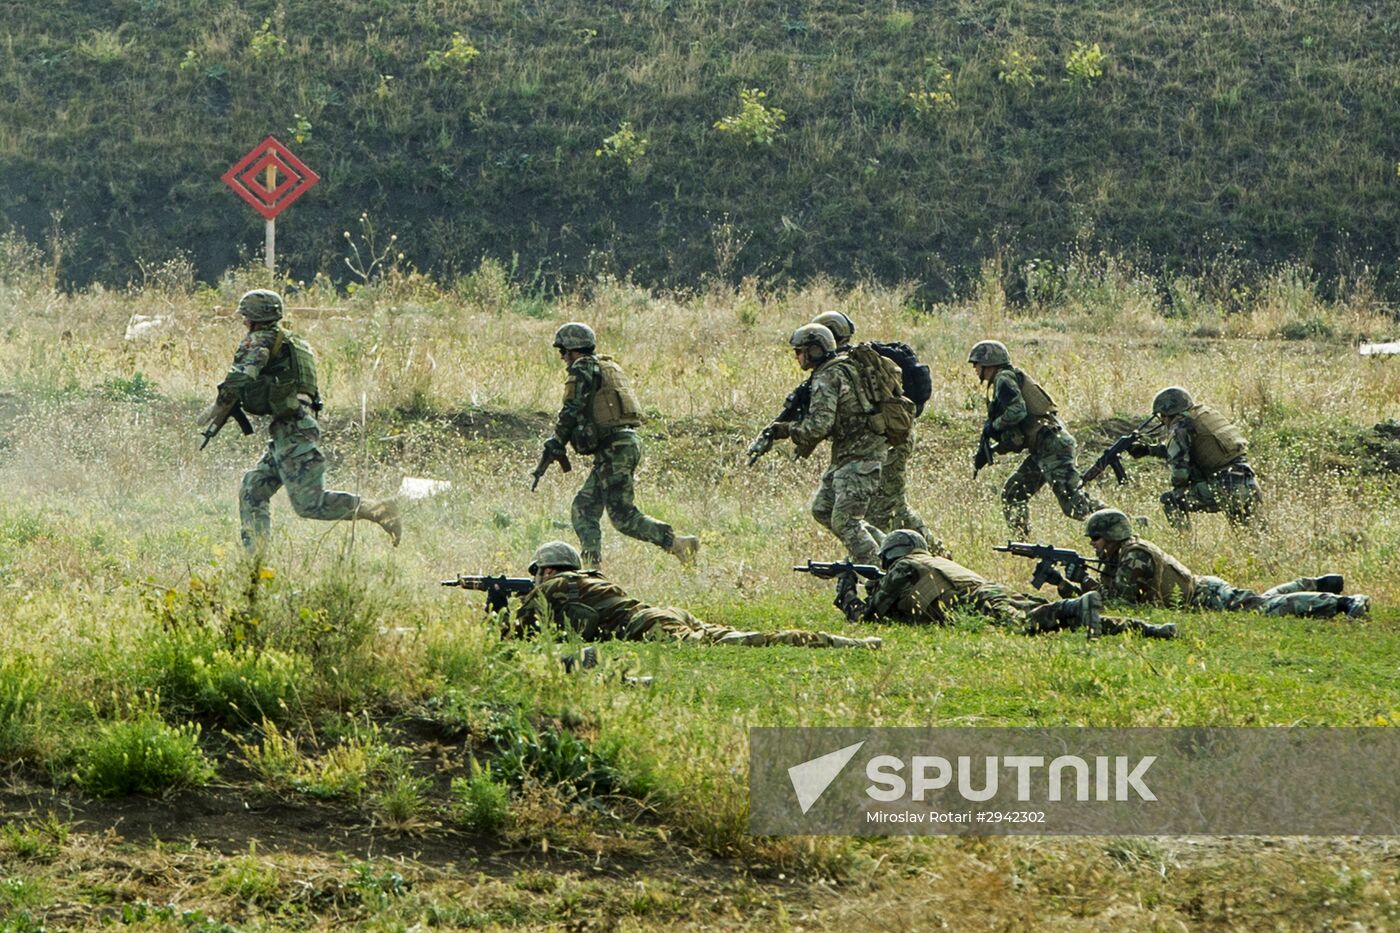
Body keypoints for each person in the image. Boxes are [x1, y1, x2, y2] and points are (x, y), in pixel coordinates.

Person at [196, 289, 400, 552]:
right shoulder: (293, 343)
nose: (244, 321)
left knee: (309, 504)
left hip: (293, 430)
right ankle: (255, 560)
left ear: (255, 317)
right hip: (292, 428)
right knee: (253, 487)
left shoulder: (259, 340)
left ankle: (378, 509)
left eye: (246, 316)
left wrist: (216, 407)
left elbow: (241, 377)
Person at [505, 541, 880, 648]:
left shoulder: (554, 588)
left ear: (549, 570)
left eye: (537, 572)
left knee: (741, 642)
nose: (535, 579)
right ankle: (839, 640)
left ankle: (838, 642)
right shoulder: (583, 582)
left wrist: (497, 604)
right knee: (725, 635)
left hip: (651, 625)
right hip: (662, 614)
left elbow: (514, 636)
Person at [539, 322, 698, 569]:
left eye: (563, 351)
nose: (562, 357)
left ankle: (677, 544)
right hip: (622, 445)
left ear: (573, 349)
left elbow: (572, 408)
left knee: (622, 517)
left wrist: (557, 440)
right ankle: (592, 568)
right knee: (584, 508)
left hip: (616, 448)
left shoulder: (582, 367)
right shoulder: (603, 366)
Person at [847, 530, 1175, 638]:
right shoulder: (933, 560)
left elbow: (871, 616)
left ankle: (1072, 606)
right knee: (1059, 617)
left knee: (1026, 625)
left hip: (976, 601)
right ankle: (1144, 628)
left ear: (892, 555)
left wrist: (846, 593)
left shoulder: (904, 566)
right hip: (994, 589)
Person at [1073, 509, 1369, 618]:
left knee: (1265, 608)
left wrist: (1083, 583)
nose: (1092, 544)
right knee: (1260, 600)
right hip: (1205, 591)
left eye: (1096, 538)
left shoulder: (1134, 555)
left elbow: (1123, 603)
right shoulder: (1122, 553)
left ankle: (1342, 603)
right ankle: (1312, 584)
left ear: (1112, 535)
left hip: (1206, 597)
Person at [761, 324, 886, 563]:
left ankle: (879, 575)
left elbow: (817, 427)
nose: (796, 357)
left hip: (862, 456)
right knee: (822, 508)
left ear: (815, 351)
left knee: (846, 521)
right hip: (851, 454)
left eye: (799, 351)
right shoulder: (841, 367)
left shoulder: (828, 376)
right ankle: (890, 550)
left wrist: (785, 430)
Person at [811, 311, 931, 546]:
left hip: (890, 440)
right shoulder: (849, 362)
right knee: (879, 510)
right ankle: (907, 556)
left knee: (887, 509)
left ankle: (927, 557)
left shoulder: (851, 364)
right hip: (878, 442)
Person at [969, 340, 1105, 537]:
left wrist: (994, 426)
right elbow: (1019, 433)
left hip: (1052, 445)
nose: (974, 368)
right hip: (1042, 447)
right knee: (1014, 493)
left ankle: (1122, 525)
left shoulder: (1003, 379)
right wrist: (994, 449)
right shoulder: (1006, 378)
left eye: (976, 364)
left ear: (988, 363)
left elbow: (1017, 411)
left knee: (1074, 504)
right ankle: (1022, 543)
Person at [1129, 387, 1264, 530]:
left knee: (1171, 500)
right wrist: (1150, 449)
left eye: (1162, 416)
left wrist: (1181, 487)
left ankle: (1183, 545)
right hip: (1248, 484)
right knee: (1253, 538)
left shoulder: (1179, 428)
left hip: (1225, 489)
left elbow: (1180, 473)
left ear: (1168, 413)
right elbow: (1191, 448)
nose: (1162, 420)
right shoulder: (1202, 415)